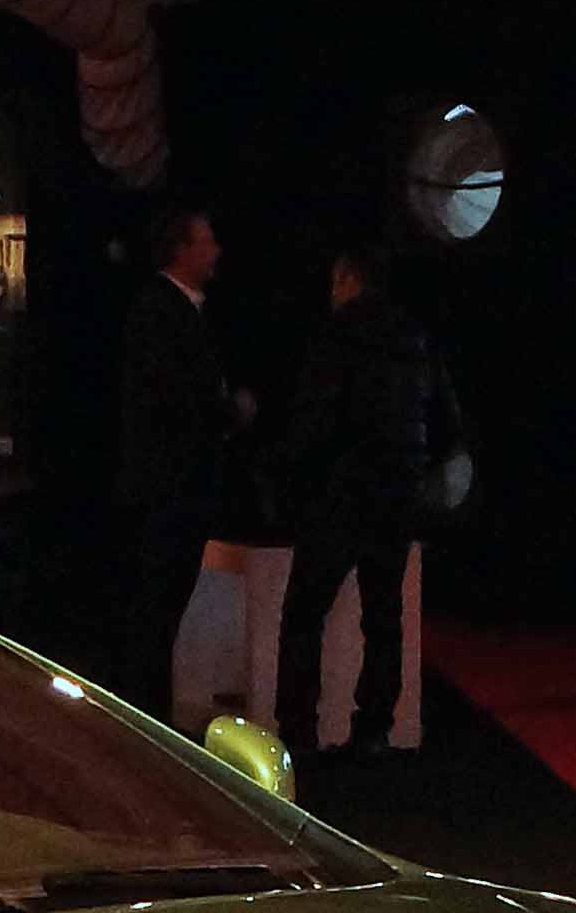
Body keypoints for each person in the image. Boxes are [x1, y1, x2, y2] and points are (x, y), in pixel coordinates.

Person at [273, 242, 456, 763]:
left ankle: (298, 730)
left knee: (305, 611)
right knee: (383, 613)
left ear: (350, 280)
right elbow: (443, 419)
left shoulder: (337, 335)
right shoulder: (414, 337)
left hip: (341, 491)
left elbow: (316, 418)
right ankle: (373, 728)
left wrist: (285, 470)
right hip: (396, 494)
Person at [111, 197, 242, 710]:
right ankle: (145, 714)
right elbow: (178, 399)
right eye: (207, 241)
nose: (217, 251)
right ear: (181, 249)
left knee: (160, 612)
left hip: (172, 491)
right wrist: (227, 410)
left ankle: (149, 712)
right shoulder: (161, 312)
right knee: (156, 609)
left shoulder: (171, 310)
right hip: (168, 492)